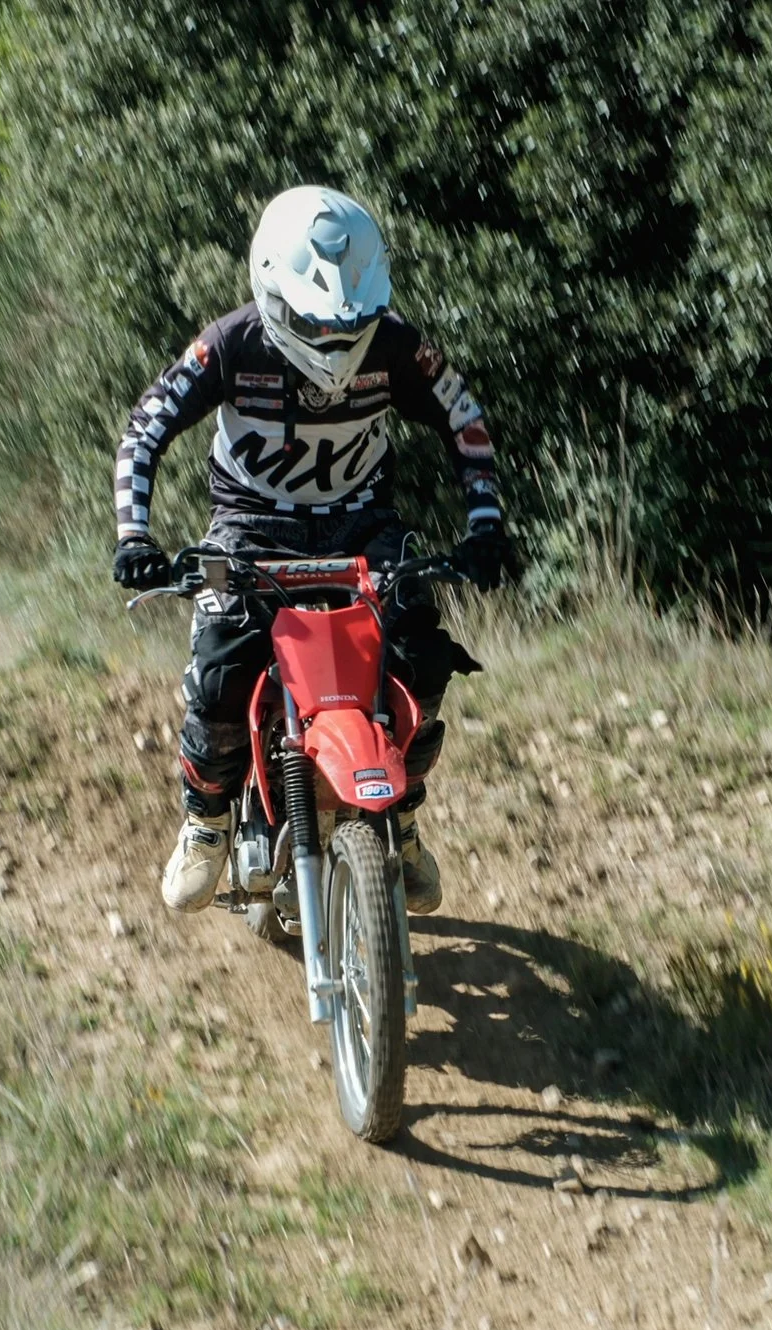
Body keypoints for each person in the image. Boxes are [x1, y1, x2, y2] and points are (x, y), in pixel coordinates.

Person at [113, 184, 518, 916]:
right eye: (315, 324)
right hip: (250, 526)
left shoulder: (398, 344)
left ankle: (403, 814)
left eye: (352, 324)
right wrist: (133, 536)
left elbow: (464, 418)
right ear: (271, 295)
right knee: (219, 664)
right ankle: (205, 822)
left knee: (422, 655)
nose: (335, 342)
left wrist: (486, 524)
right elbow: (146, 427)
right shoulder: (230, 344)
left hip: (361, 524)